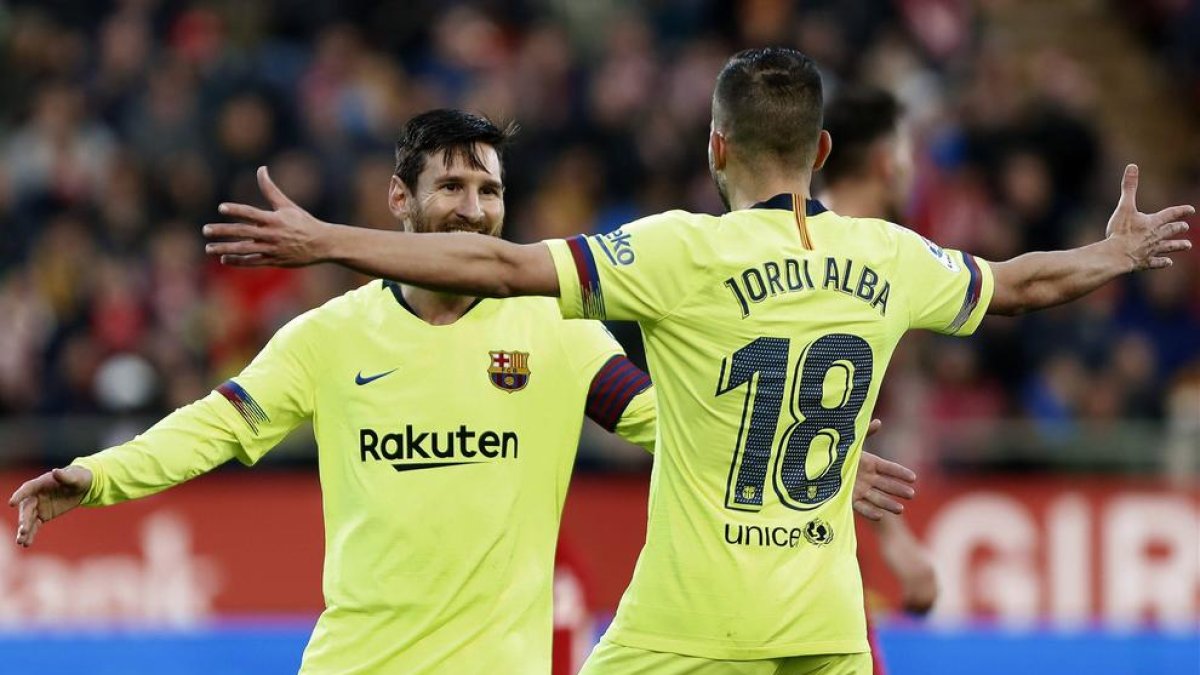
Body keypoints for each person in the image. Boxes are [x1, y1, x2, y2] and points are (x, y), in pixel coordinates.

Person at [201, 47, 1193, 674]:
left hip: (690, 623)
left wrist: (331, 239)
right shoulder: (890, 256)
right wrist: (1114, 251)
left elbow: (498, 266)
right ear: (824, 148)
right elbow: (1018, 285)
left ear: (718, 147)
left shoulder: (678, 251)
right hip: (823, 624)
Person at [10, 108, 917, 675]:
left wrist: (810, 445)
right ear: (399, 201)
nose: (476, 208)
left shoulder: (556, 333)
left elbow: (673, 421)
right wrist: (99, 475)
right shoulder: (331, 337)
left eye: (489, 189)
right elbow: (216, 424)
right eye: (451, 185)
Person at [821, 86, 940, 675]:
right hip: (798, 535)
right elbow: (813, 418)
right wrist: (898, 543)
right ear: (885, 161)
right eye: (909, 153)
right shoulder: (849, 262)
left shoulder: (807, 238)